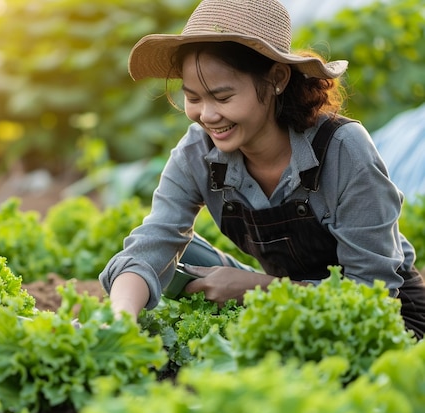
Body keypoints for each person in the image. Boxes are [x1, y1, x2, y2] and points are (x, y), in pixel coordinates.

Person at [98, 0, 425, 339]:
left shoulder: (342, 148)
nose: (207, 116)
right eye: (193, 98)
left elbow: (371, 296)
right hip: (287, 313)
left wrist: (258, 290)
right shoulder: (198, 151)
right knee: (177, 260)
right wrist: (120, 322)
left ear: (277, 80)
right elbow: (152, 241)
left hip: (389, 322)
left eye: (222, 97)